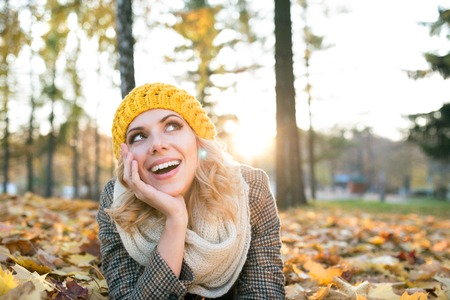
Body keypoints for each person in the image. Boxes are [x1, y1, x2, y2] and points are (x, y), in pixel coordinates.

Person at [96, 82, 285, 299]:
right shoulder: (117, 201)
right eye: (138, 136)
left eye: (172, 126)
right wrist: (175, 221)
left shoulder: (250, 188)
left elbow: (264, 293)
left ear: (197, 138)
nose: (157, 144)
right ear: (128, 158)